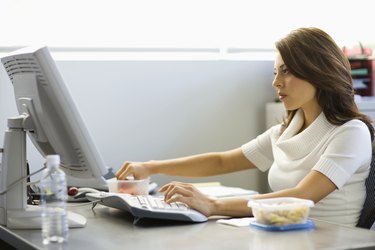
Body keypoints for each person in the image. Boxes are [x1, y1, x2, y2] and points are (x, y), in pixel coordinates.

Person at [116, 27, 374, 227]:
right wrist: (150, 167)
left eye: (286, 71)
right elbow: (221, 162)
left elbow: (302, 196)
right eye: (275, 72)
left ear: (318, 70)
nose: (276, 82)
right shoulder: (285, 132)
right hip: (285, 236)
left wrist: (213, 205)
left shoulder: (350, 132)